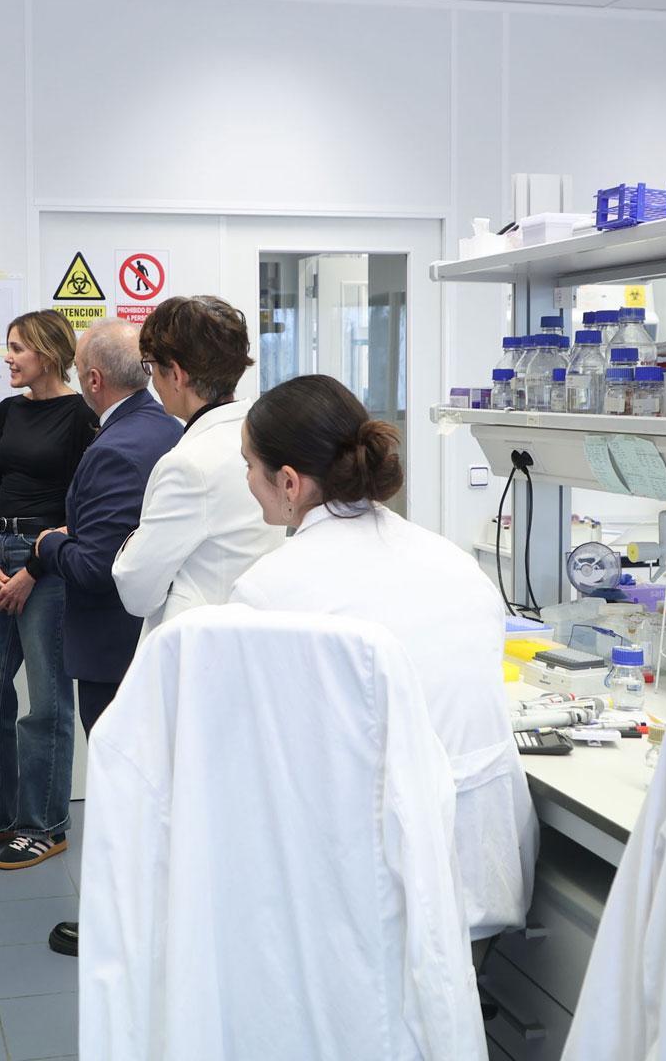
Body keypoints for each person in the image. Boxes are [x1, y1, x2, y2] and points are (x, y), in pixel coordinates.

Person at [229, 374, 536, 963]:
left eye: (249, 465)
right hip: (479, 869)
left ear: (288, 483)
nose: (246, 482)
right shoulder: (452, 561)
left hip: (370, 890)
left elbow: (256, 763)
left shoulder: (268, 592)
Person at [0, 310, 96, 871]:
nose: (8, 358)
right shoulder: (7, 411)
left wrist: (33, 570)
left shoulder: (82, 416)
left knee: (47, 705)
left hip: (48, 566)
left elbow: (82, 510)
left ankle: (44, 825)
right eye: (7, 347)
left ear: (47, 351)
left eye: (17, 348)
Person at [31, 319, 181, 735]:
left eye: (78, 371)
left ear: (94, 379)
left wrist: (50, 545)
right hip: (150, 640)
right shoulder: (168, 427)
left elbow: (98, 567)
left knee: (117, 779)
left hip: (112, 652)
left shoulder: (114, 449)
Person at [114, 295, 284, 635]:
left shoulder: (189, 466)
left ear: (176, 374)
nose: (153, 383)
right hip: (252, 634)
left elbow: (136, 590)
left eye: (150, 367)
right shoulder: (267, 437)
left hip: (196, 644)